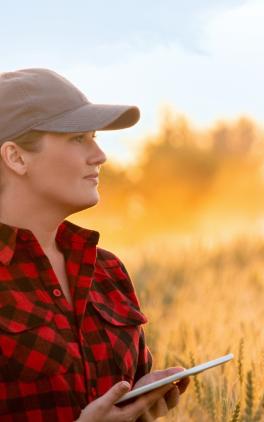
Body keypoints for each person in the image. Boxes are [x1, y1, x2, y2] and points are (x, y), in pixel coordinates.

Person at [0, 68, 189, 421]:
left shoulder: (108, 271)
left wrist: (141, 405)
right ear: (16, 157)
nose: (99, 155)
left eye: (95, 138)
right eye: (78, 139)